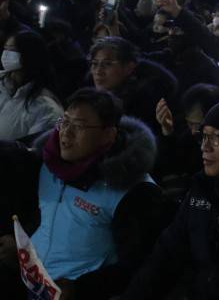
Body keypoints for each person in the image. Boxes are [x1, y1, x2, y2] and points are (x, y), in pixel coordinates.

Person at [0, 88, 163, 299]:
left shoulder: (134, 190)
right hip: (33, 284)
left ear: (108, 135)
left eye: (79, 126)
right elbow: (43, 219)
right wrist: (20, 248)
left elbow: (140, 267)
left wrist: (80, 289)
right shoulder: (47, 164)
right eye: (65, 122)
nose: (66, 133)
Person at [122, 100, 219, 299]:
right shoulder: (201, 191)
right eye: (204, 136)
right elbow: (166, 255)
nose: (205, 147)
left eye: (217, 137)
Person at [0, 30, 63, 142]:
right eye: (5, 48)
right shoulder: (3, 83)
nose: (6, 54)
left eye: (13, 50)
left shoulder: (46, 108)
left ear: (29, 54)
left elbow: (34, 149)